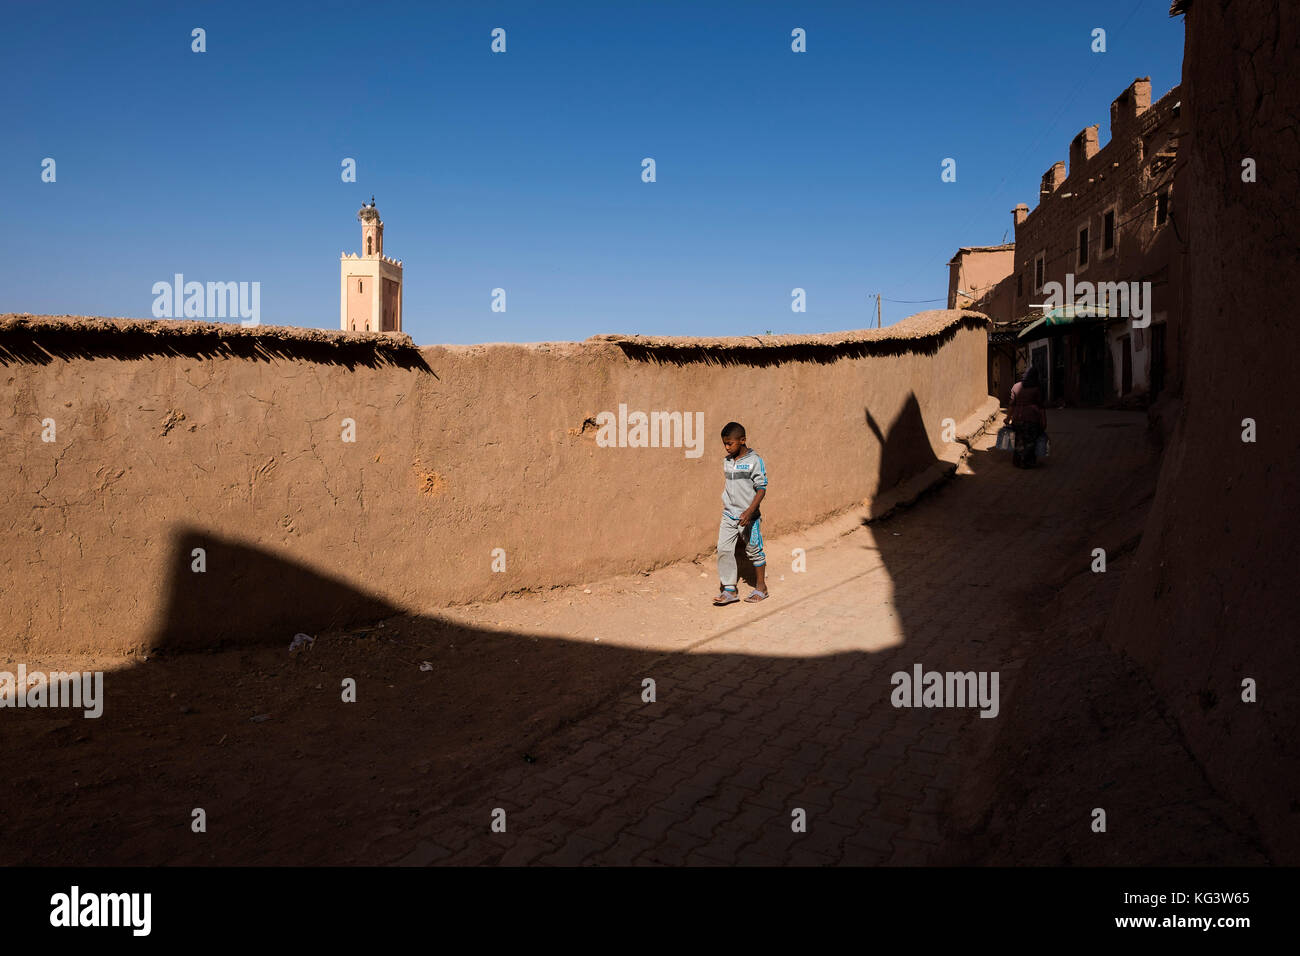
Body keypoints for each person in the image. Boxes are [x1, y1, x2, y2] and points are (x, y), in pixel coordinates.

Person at [713, 422, 769, 605]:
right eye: (725, 444)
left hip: (749, 518)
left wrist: (749, 511)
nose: (727, 447)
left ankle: (761, 587)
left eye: (730, 443)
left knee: (754, 551)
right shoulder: (727, 461)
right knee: (723, 549)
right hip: (729, 515)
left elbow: (761, 488)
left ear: (742, 440)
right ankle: (730, 589)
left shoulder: (754, 461)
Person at [1006, 365, 1047, 467]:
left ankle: (1017, 461)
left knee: (1019, 439)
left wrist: (1008, 418)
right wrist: (1044, 420)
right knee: (1030, 441)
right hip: (1032, 419)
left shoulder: (1016, 386)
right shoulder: (1037, 388)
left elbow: (1011, 405)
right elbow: (1041, 407)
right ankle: (1027, 462)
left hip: (1017, 419)